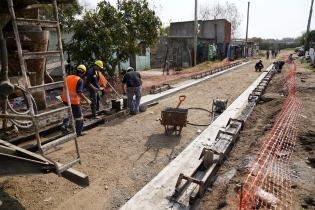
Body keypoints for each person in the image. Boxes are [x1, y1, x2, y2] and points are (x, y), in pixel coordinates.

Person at [61, 64, 91, 136]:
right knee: (79, 117)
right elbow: (79, 92)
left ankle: (64, 126)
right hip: (73, 102)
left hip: (65, 100)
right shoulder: (79, 80)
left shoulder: (67, 77)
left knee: (69, 113)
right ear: (83, 73)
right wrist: (87, 100)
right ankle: (78, 132)